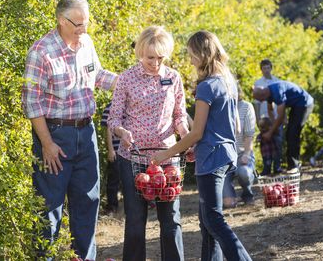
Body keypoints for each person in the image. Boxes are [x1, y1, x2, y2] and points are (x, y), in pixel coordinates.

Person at [21, 0, 117, 260]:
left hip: (86, 135)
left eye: (86, 23)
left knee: (87, 202)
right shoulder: (41, 52)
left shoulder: (86, 43)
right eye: (77, 24)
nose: (83, 30)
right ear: (61, 21)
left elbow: (98, 76)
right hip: (55, 136)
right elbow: (31, 104)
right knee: (48, 209)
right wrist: (47, 143)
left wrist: (131, 82)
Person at [152, 30, 252, 261]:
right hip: (227, 154)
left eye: (191, 54)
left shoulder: (206, 87)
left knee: (214, 219)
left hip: (211, 158)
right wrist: (200, 144)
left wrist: (166, 153)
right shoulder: (227, 81)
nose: (190, 60)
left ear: (202, 53)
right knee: (207, 221)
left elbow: (196, 132)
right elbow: (233, 125)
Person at [108, 25, 190, 261]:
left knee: (171, 218)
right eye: (150, 57)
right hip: (133, 157)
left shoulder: (173, 78)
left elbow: (179, 116)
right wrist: (121, 131)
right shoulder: (126, 79)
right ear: (140, 53)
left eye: (161, 57)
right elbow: (114, 117)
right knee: (135, 219)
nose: (155, 63)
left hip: (167, 156)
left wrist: (184, 133)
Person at [252, 80, 314, 174]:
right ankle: (291, 166)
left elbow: (280, 116)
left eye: (261, 100)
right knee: (289, 133)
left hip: (304, 103)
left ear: (263, 94)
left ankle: (294, 166)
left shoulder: (277, 92)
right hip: (296, 105)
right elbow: (270, 110)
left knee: (293, 133)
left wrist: (270, 132)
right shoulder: (268, 93)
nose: (261, 102)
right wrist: (273, 127)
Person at [223, 84, 257, 208]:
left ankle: (247, 194)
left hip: (242, 153)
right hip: (226, 157)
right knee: (228, 204)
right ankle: (230, 196)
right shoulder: (222, 107)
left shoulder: (246, 107)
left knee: (244, 172)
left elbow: (249, 134)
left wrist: (247, 154)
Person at [253, 59, 283, 173]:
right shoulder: (258, 83)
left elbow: (281, 102)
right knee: (265, 143)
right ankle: (266, 167)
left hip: (276, 117)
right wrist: (257, 119)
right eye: (264, 68)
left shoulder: (277, 82)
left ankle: (277, 166)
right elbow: (256, 103)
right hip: (264, 117)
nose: (266, 70)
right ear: (261, 70)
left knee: (278, 142)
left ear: (271, 68)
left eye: (268, 68)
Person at [100, 101, 121, 214]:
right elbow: (108, 129)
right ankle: (112, 206)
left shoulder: (133, 103)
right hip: (116, 150)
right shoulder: (111, 106)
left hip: (131, 151)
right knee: (114, 179)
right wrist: (111, 150)